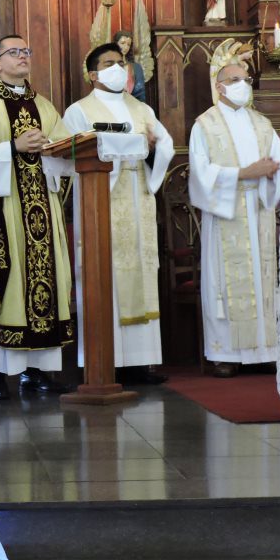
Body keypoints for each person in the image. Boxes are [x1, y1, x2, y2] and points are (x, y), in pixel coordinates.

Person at [0, 35, 74, 399]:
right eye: (14, 52)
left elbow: (64, 147)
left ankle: (38, 371)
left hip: (42, 215)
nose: (23, 57)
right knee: (6, 288)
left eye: (26, 51)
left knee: (44, 286)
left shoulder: (44, 105)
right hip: (2, 214)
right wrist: (10, 148)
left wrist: (53, 150)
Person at [63, 43, 175, 384]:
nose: (118, 67)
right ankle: (102, 361)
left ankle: (141, 361)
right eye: (109, 63)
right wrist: (131, 148)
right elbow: (72, 154)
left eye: (121, 62)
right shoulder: (78, 110)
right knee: (105, 271)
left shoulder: (141, 107)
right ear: (93, 73)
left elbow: (165, 143)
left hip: (138, 194)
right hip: (102, 198)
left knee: (140, 269)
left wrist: (153, 148)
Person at [188, 40, 280, 377]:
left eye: (246, 81)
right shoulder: (204, 125)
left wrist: (271, 174)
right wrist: (242, 174)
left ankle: (265, 350)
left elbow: (279, 164)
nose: (242, 86)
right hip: (226, 210)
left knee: (263, 280)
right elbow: (200, 174)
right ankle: (225, 354)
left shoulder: (262, 123)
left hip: (258, 208)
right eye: (234, 81)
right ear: (219, 86)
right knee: (223, 281)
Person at [113, 30, 148, 104]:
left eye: (128, 44)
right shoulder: (109, 67)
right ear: (115, 44)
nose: (125, 47)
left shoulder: (136, 68)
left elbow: (141, 93)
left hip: (133, 106)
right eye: (122, 43)